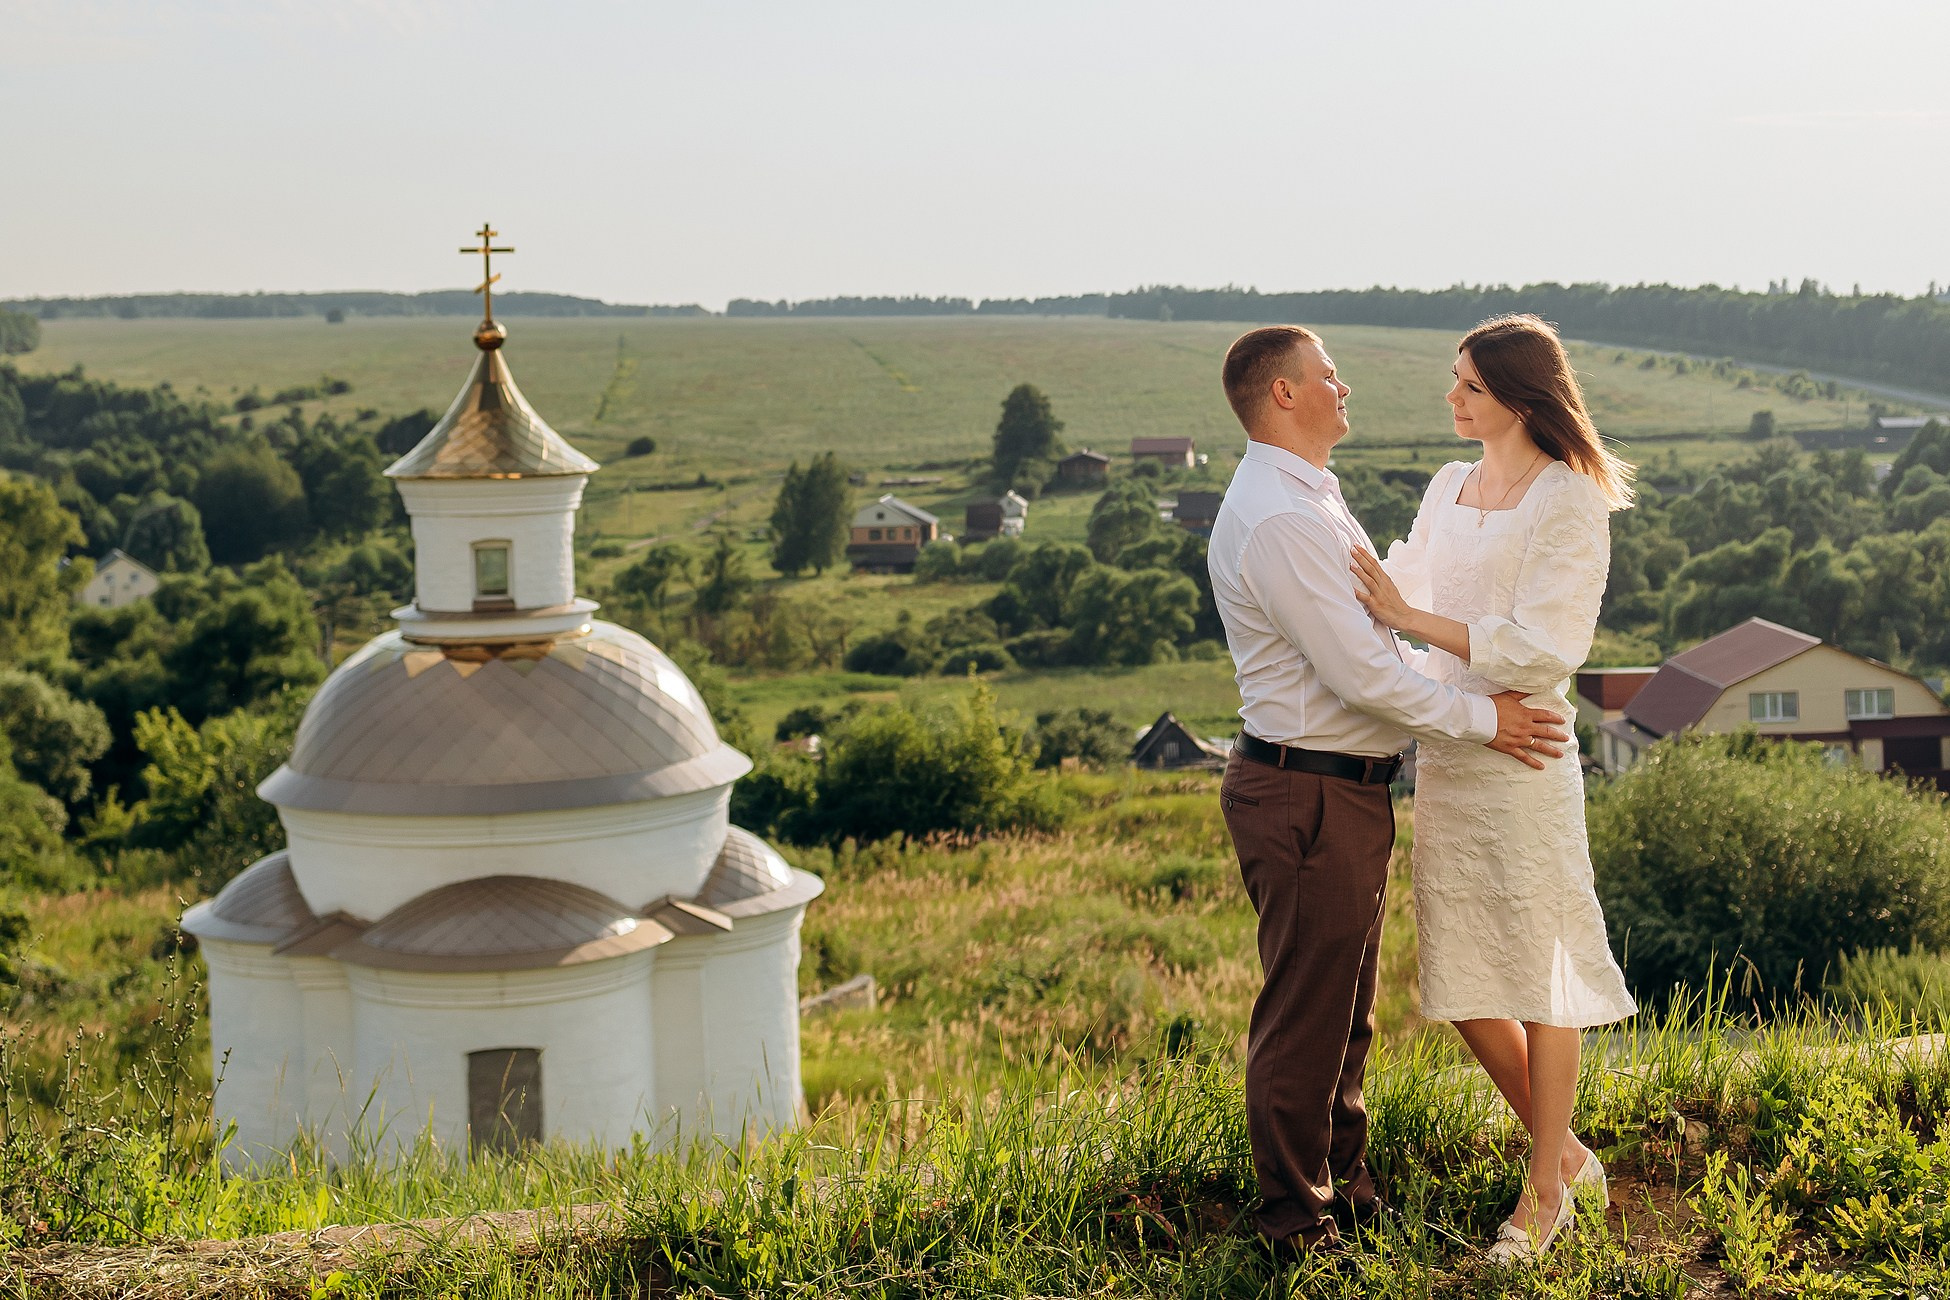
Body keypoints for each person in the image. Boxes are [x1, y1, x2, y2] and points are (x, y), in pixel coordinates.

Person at [1207, 325, 1570, 1256]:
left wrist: (1452, 673)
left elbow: (1378, 647)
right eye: (1327, 373)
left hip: (1340, 789)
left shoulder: (1311, 497)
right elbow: (1362, 679)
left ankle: (1347, 1190)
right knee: (1305, 1020)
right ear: (1284, 395)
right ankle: (1296, 1225)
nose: (1344, 384)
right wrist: (1490, 720)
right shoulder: (1283, 518)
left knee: (1345, 1013)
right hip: (1303, 791)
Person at [1349, 313, 1639, 1262]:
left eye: (1468, 384)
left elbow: (1550, 642)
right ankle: (1571, 1156)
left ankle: (1544, 1190)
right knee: (1466, 977)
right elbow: (1400, 586)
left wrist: (1411, 619)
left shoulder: (1570, 498)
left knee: (1542, 971)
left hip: (1526, 755)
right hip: (1454, 751)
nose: (1453, 398)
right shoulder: (1448, 483)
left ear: (1519, 396)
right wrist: (1352, 587)